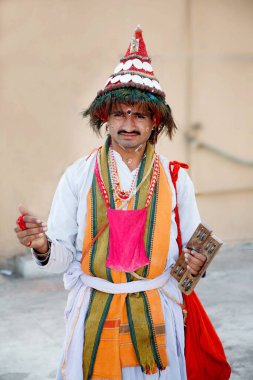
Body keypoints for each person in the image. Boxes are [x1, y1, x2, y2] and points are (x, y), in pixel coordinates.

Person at [15, 26, 231, 380]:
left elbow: (196, 248)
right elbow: (61, 257)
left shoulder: (177, 179)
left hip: (159, 311)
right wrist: (42, 246)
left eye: (139, 115)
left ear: (154, 122)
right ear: (105, 118)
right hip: (93, 311)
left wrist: (197, 263)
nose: (128, 124)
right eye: (120, 114)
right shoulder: (77, 176)